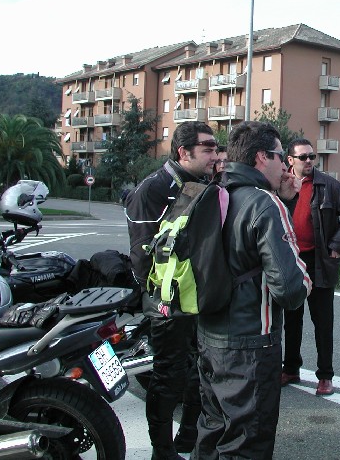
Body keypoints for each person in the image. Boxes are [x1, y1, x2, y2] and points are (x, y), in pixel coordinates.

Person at [195, 121, 312, 460]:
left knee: (212, 432)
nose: (286, 165)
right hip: (250, 345)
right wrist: (306, 280)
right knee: (246, 444)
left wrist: (284, 200)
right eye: (280, 156)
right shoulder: (263, 203)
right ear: (262, 157)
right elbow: (289, 289)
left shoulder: (214, 192)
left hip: (208, 337)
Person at [125, 121, 218, 460]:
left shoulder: (207, 183)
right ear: (184, 152)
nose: (215, 155)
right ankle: (162, 450)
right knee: (168, 376)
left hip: (200, 298)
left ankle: (189, 437)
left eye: (216, 148)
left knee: (202, 371)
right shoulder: (152, 188)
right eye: (208, 148)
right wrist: (159, 297)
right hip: (167, 301)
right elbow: (141, 255)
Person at [281, 138, 340, 395]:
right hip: (290, 261)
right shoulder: (281, 184)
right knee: (291, 319)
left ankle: (325, 376)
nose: (309, 161)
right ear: (290, 160)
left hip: (319, 261)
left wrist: (337, 245)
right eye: (303, 157)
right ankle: (291, 368)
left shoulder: (328, 185)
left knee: (323, 322)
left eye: (312, 156)